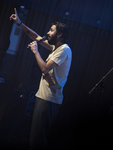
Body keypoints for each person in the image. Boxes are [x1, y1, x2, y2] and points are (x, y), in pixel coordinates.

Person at [10, 8, 72, 149]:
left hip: (49, 99)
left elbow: (44, 68)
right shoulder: (57, 47)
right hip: (45, 97)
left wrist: (36, 51)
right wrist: (19, 23)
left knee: (37, 139)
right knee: (36, 137)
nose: (48, 32)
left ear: (60, 34)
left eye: (51, 30)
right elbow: (35, 36)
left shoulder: (64, 50)